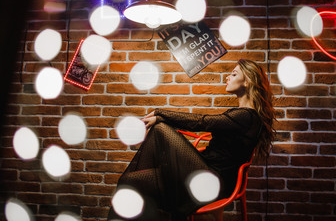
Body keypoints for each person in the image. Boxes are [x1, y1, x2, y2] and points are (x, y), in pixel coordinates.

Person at [107, 59, 276, 221]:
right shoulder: (242, 115)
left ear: (247, 81)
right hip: (202, 173)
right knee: (128, 181)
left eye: (233, 74)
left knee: (160, 128)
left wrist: (160, 114)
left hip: (212, 183)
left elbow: (202, 122)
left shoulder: (247, 116)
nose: (227, 77)